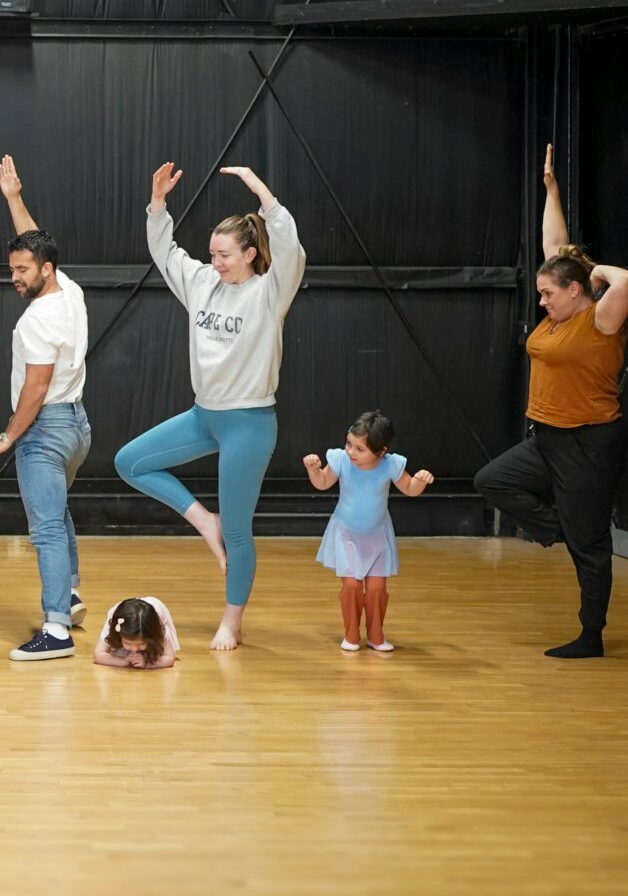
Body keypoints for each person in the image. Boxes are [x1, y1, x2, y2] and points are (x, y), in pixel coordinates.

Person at [113, 164, 307, 651]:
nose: (215, 261)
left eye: (224, 254)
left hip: (249, 422)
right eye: (212, 254)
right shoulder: (202, 282)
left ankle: (233, 621)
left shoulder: (270, 292)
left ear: (249, 253)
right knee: (129, 462)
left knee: (238, 531)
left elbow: (290, 249)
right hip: (205, 415)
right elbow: (165, 252)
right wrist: (157, 204)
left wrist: (264, 194)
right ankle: (203, 520)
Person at [474, 144, 628, 659]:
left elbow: (627, 281)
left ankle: (591, 635)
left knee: (591, 548)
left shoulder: (600, 320)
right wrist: (550, 190)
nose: (540, 300)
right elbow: (554, 245)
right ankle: (556, 528)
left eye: (548, 292)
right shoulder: (558, 316)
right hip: (545, 437)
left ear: (576, 291)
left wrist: (589, 268)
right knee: (491, 480)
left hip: (590, 442)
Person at [0, 154, 93, 658]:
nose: (14, 278)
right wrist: (14, 200)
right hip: (78, 429)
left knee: (44, 526)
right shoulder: (70, 290)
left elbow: (35, 390)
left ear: (44, 271)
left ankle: (57, 630)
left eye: (22, 271)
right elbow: (40, 245)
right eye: (12, 269)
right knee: (59, 514)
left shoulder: (36, 321)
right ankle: (70, 593)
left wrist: (6, 437)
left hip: (44, 431)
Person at [305, 410, 436, 654]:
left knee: (376, 588)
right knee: (352, 586)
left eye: (359, 449)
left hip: (377, 535)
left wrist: (420, 480)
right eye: (349, 444)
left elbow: (409, 488)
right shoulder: (341, 460)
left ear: (381, 451)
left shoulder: (391, 465)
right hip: (346, 533)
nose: (351, 452)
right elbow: (322, 482)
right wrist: (313, 469)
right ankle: (351, 634)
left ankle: (376, 635)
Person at [89, 596, 181, 669]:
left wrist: (147, 663)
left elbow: (169, 658)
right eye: (128, 643)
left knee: (157, 651)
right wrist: (123, 661)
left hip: (154, 612)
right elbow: (98, 654)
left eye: (141, 643)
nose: (134, 649)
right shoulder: (115, 621)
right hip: (124, 612)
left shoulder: (158, 623)